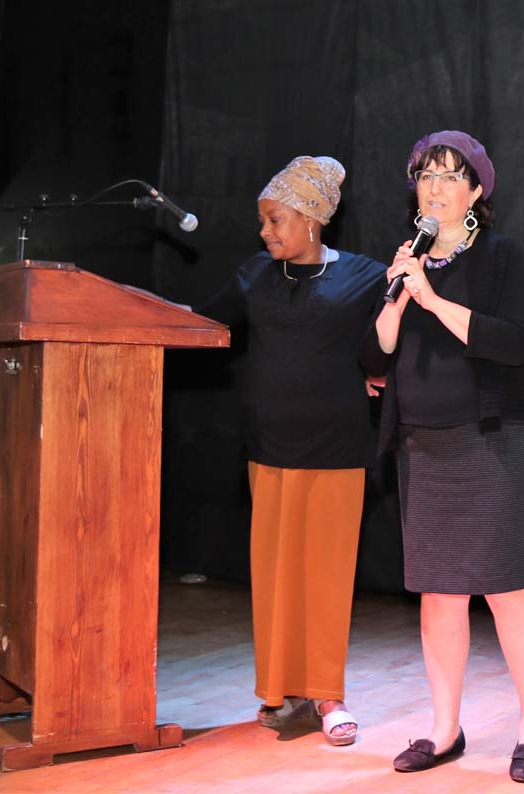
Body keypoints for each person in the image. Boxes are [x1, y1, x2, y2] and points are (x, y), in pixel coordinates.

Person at [372, 130, 524, 782]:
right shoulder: (410, 262)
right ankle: (445, 729)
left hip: (496, 441)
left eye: (451, 176)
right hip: (424, 445)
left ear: (476, 191)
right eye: (426, 175)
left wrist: (432, 299)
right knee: (439, 597)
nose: (436, 187)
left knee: (510, 590)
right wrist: (399, 294)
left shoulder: (502, 256)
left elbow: (516, 343)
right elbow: (375, 353)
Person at [197, 155, 386, 746]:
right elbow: (200, 323)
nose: (265, 232)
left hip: (336, 445)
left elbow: (389, 345)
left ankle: (327, 694)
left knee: (326, 574)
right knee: (275, 575)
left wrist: (380, 373)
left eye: (275, 220)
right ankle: (281, 689)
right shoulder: (254, 274)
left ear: (311, 218)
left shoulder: (365, 276)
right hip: (269, 446)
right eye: (263, 221)